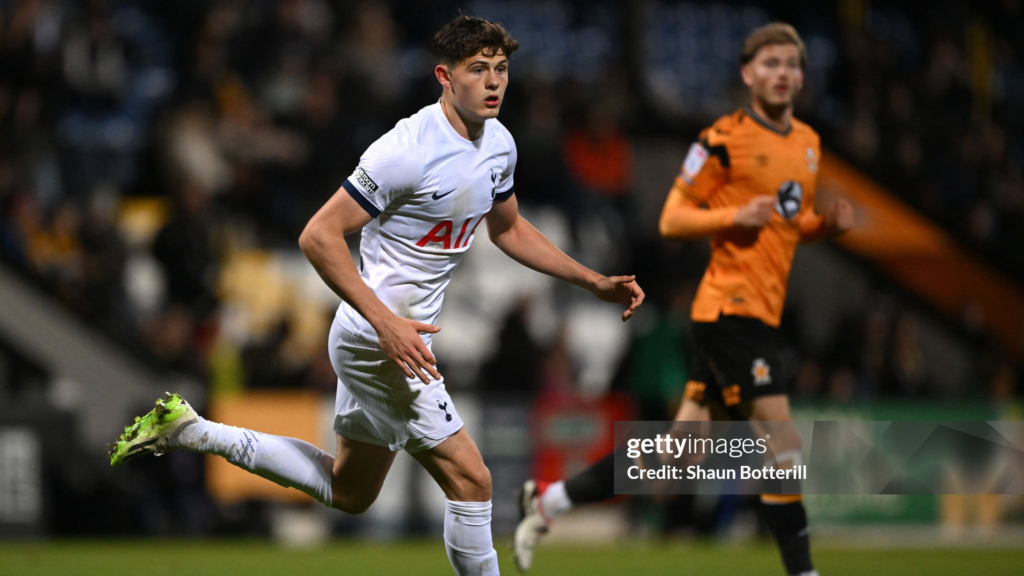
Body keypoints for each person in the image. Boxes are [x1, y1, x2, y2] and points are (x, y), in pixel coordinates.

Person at [109, 15, 644, 576]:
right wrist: (386, 323)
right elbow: (318, 235)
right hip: (380, 338)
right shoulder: (404, 149)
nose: (494, 82)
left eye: (502, 69)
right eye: (478, 69)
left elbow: (507, 229)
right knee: (473, 479)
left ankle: (193, 430)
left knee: (349, 490)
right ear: (444, 75)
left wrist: (592, 280)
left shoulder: (500, 146)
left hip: (397, 336)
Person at [513, 23, 853, 576]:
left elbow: (786, 226)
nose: (784, 74)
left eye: (793, 64)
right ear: (747, 74)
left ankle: (547, 503)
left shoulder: (808, 147)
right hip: (728, 311)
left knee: (679, 451)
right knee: (781, 441)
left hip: (761, 312)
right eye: (771, 64)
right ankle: (803, 572)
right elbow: (673, 217)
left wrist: (821, 226)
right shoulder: (722, 140)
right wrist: (732, 215)